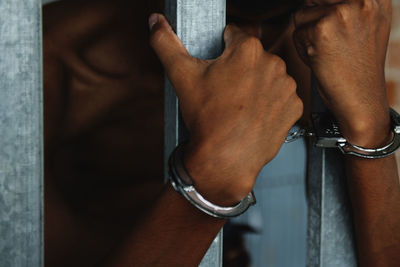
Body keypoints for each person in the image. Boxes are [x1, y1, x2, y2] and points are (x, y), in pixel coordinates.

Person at [43, 0, 400, 266]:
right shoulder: (48, 64)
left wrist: (370, 128)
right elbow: (30, 248)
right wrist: (213, 185)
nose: (254, 42)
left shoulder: (302, 30)